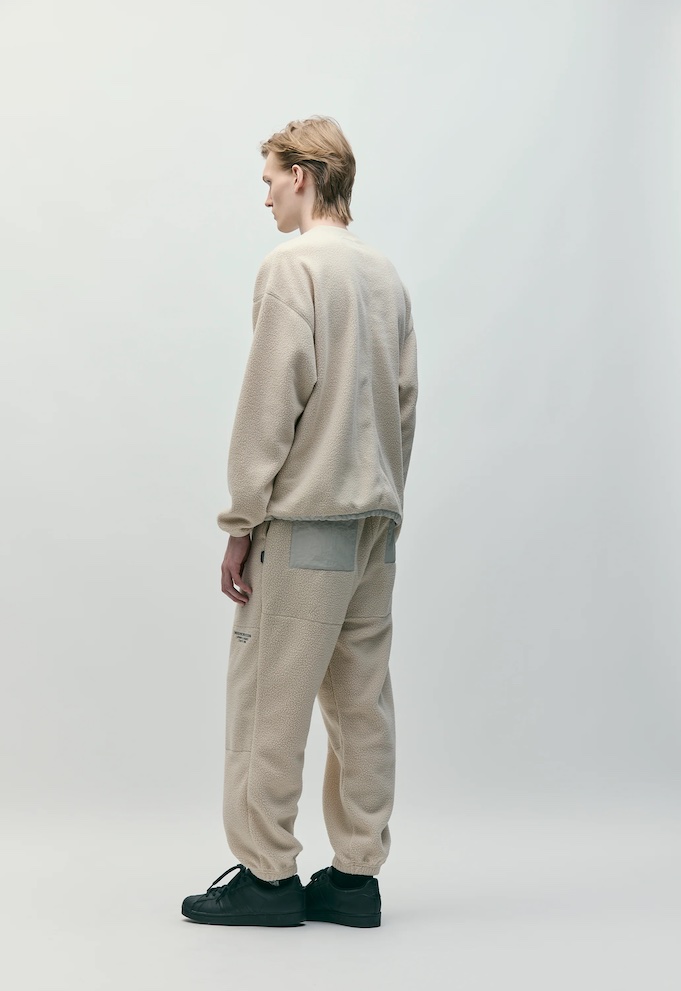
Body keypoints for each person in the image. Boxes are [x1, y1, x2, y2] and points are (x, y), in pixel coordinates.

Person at [181, 116, 418, 929]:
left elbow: (269, 403)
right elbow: (405, 404)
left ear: (304, 177)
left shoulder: (292, 268)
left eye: (271, 180)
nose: (267, 198)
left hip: (306, 522)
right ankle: (355, 879)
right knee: (362, 705)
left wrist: (241, 520)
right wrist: (385, 499)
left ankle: (268, 875)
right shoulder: (385, 275)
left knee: (267, 702)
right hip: (374, 526)